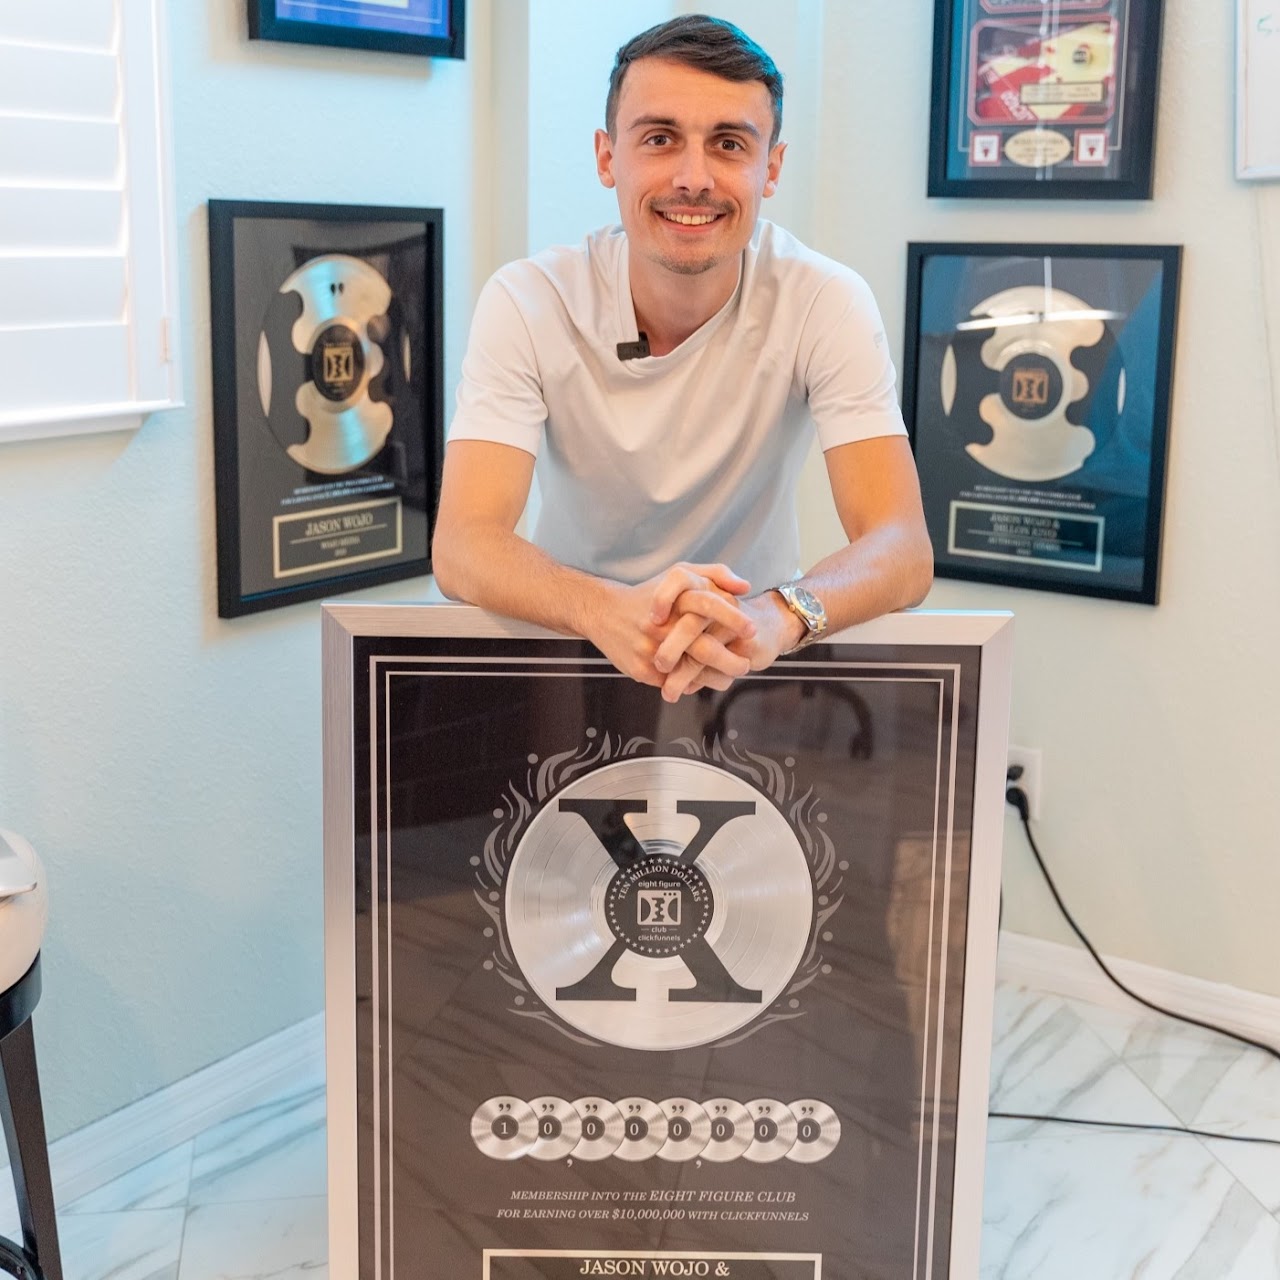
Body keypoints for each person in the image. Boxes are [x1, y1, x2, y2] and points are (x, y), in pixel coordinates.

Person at [431, 14, 933, 703]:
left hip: (752, 654)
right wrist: (605, 609)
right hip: (571, 642)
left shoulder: (826, 300)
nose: (693, 179)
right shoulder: (528, 299)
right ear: (608, 157)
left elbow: (902, 548)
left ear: (771, 168)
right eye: (660, 139)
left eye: (729, 144)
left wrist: (779, 615)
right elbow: (463, 544)